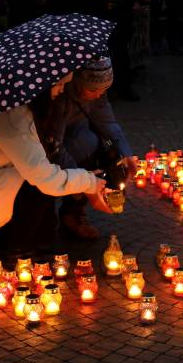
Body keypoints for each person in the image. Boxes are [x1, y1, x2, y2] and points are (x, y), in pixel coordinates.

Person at [0, 70, 109, 261]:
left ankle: (10, 242)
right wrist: (89, 183)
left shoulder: (18, 108)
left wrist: (85, 178)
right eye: (59, 85)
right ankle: (18, 250)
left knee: (38, 171)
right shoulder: (11, 118)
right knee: (36, 179)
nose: (61, 91)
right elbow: (45, 178)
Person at [50, 57, 134, 239]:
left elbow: (107, 122)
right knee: (82, 151)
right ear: (78, 81)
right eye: (94, 89)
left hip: (79, 135)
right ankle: (54, 219)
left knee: (104, 153)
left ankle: (72, 212)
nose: (98, 94)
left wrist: (126, 154)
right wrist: (86, 185)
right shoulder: (59, 96)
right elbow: (54, 147)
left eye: (104, 89)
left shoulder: (98, 93)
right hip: (51, 143)